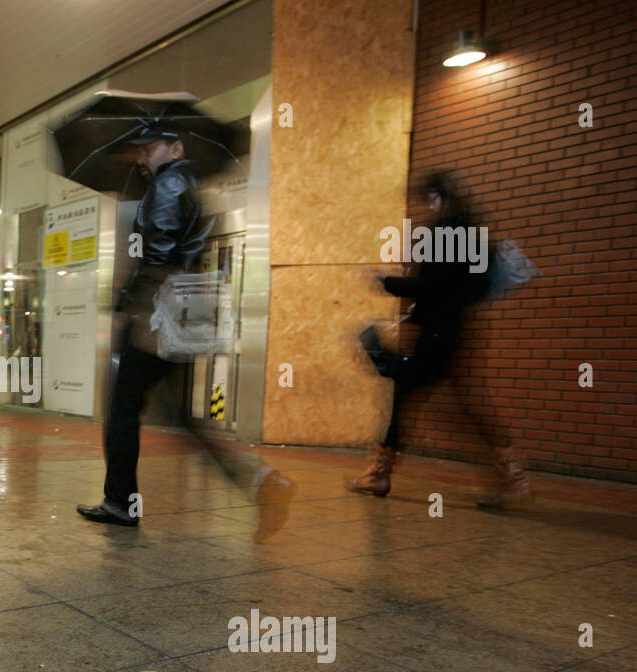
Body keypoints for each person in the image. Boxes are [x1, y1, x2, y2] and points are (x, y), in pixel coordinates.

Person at [77, 121, 296, 534]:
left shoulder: (169, 185)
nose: (142, 156)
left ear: (176, 148)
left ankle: (121, 502)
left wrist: (126, 299)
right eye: (139, 150)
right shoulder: (188, 183)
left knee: (123, 408)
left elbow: (158, 254)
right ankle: (264, 482)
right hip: (176, 318)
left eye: (150, 148)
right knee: (181, 418)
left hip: (155, 318)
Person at [346, 171, 532, 507]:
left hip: (437, 334)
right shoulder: (471, 235)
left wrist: (387, 282)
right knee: (459, 405)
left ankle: (378, 474)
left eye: (426, 199)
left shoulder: (444, 233)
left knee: (409, 397)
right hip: (457, 332)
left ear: (437, 197)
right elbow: (457, 289)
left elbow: (433, 286)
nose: (424, 207)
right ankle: (510, 477)